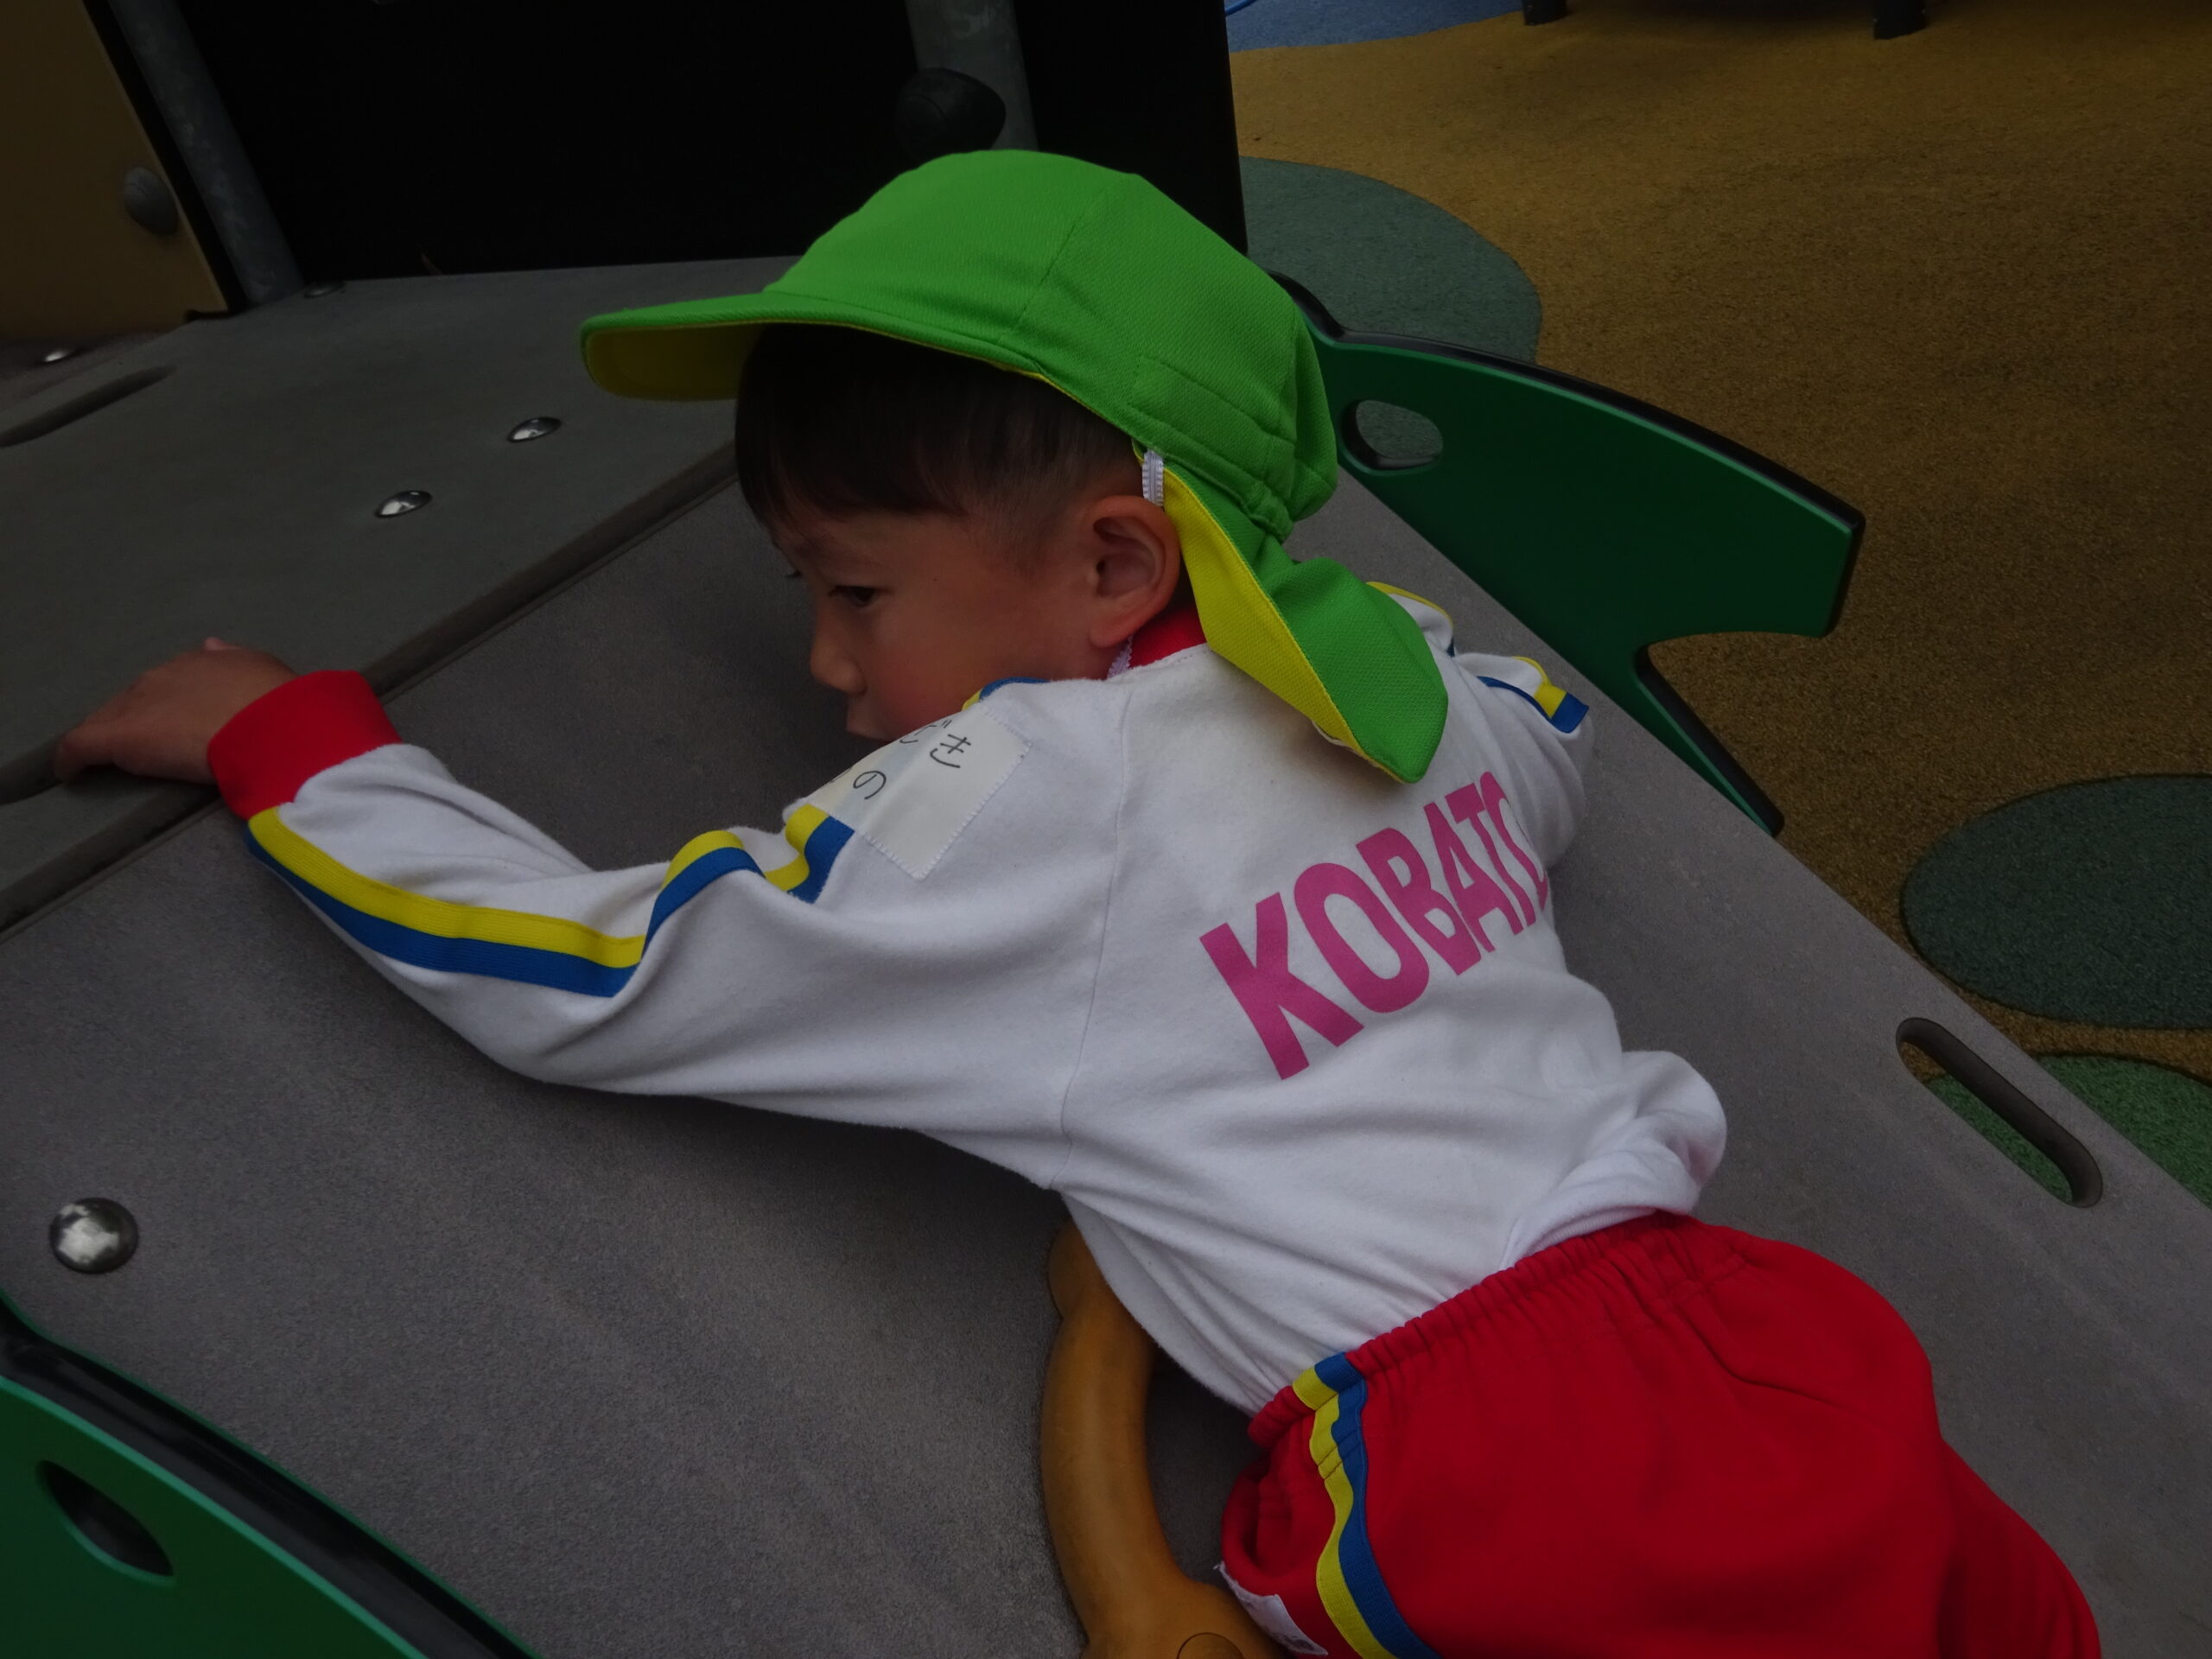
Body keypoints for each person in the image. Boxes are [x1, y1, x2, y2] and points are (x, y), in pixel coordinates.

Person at [54, 150, 2098, 1659]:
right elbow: (1539, 716)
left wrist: (299, 748)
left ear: (1116, 567)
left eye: (852, 589)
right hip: (1767, 1348)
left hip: (1486, 1461)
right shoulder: (1403, 684)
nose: (829, 666)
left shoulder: (1012, 808)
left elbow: (591, 970)